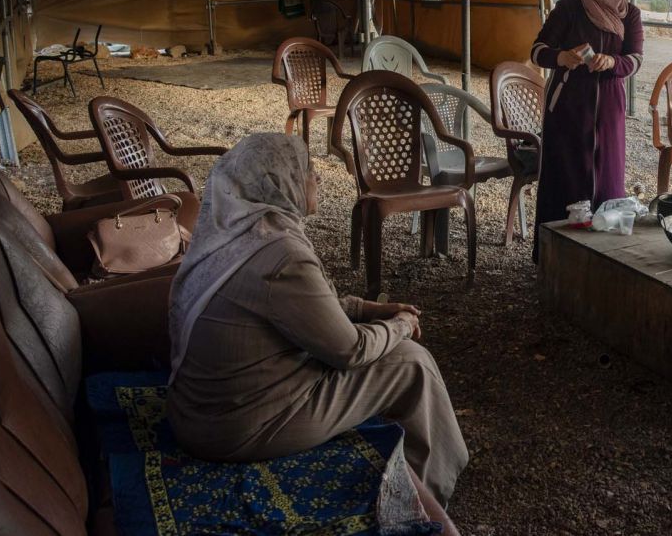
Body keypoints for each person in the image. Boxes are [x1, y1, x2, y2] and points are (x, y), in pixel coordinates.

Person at [166, 133, 468, 505]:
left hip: (195, 413)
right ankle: (428, 495)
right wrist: (400, 325)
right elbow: (350, 350)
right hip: (237, 426)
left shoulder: (238, 233)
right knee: (410, 362)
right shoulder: (281, 253)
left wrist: (367, 310)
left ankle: (419, 468)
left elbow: (296, 306)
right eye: (307, 169)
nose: (317, 177)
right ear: (281, 181)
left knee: (392, 351)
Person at [529, 0, 644, 259]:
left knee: (606, 180)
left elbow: (635, 59)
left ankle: (600, 260)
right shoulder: (570, 7)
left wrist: (612, 63)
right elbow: (537, 50)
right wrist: (562, 57)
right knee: (564, 181)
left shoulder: (629, 14)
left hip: (608, 110)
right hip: (568, 108)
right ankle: (554, 260)